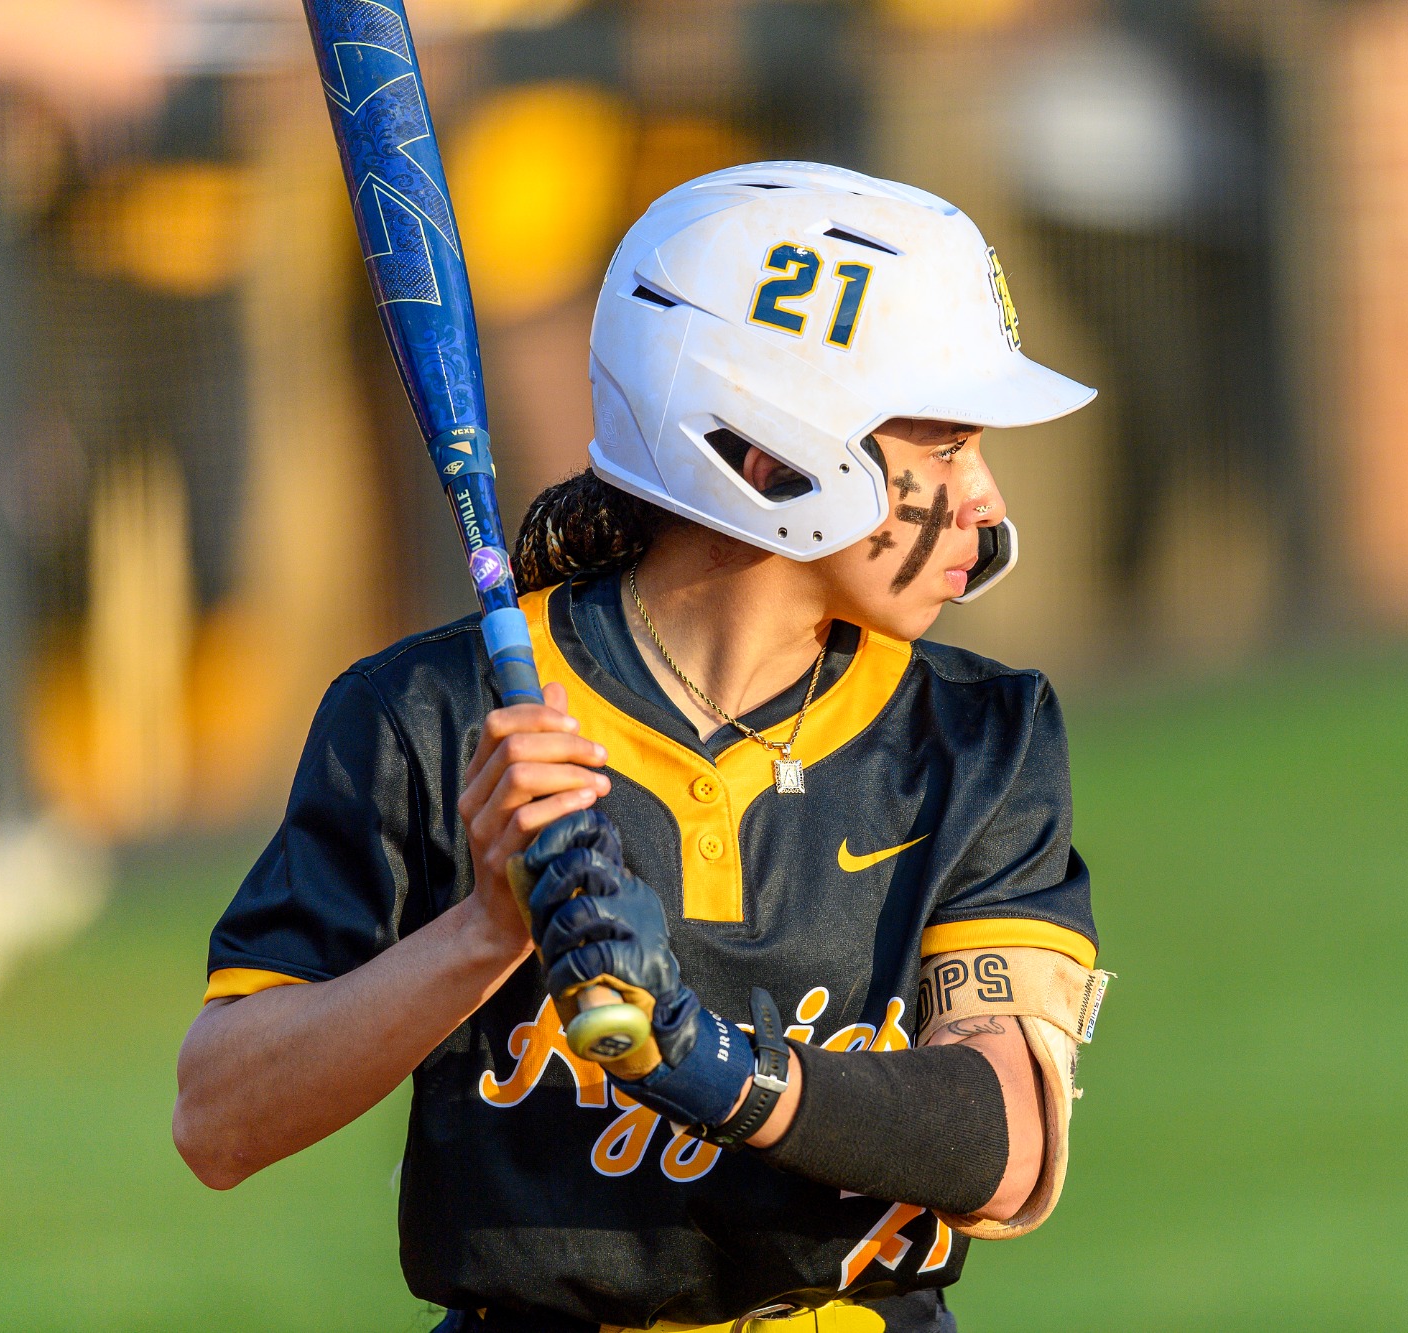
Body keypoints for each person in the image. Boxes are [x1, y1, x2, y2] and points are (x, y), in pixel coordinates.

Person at [172, 162, 1110, 1333]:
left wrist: (699, 1061)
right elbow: (219, 1121)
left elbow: (1002, 1142)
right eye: (949, 446)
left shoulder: (976, 736)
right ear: (772, 453)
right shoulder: (429, 715)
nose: (986, 503)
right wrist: (484, 932)